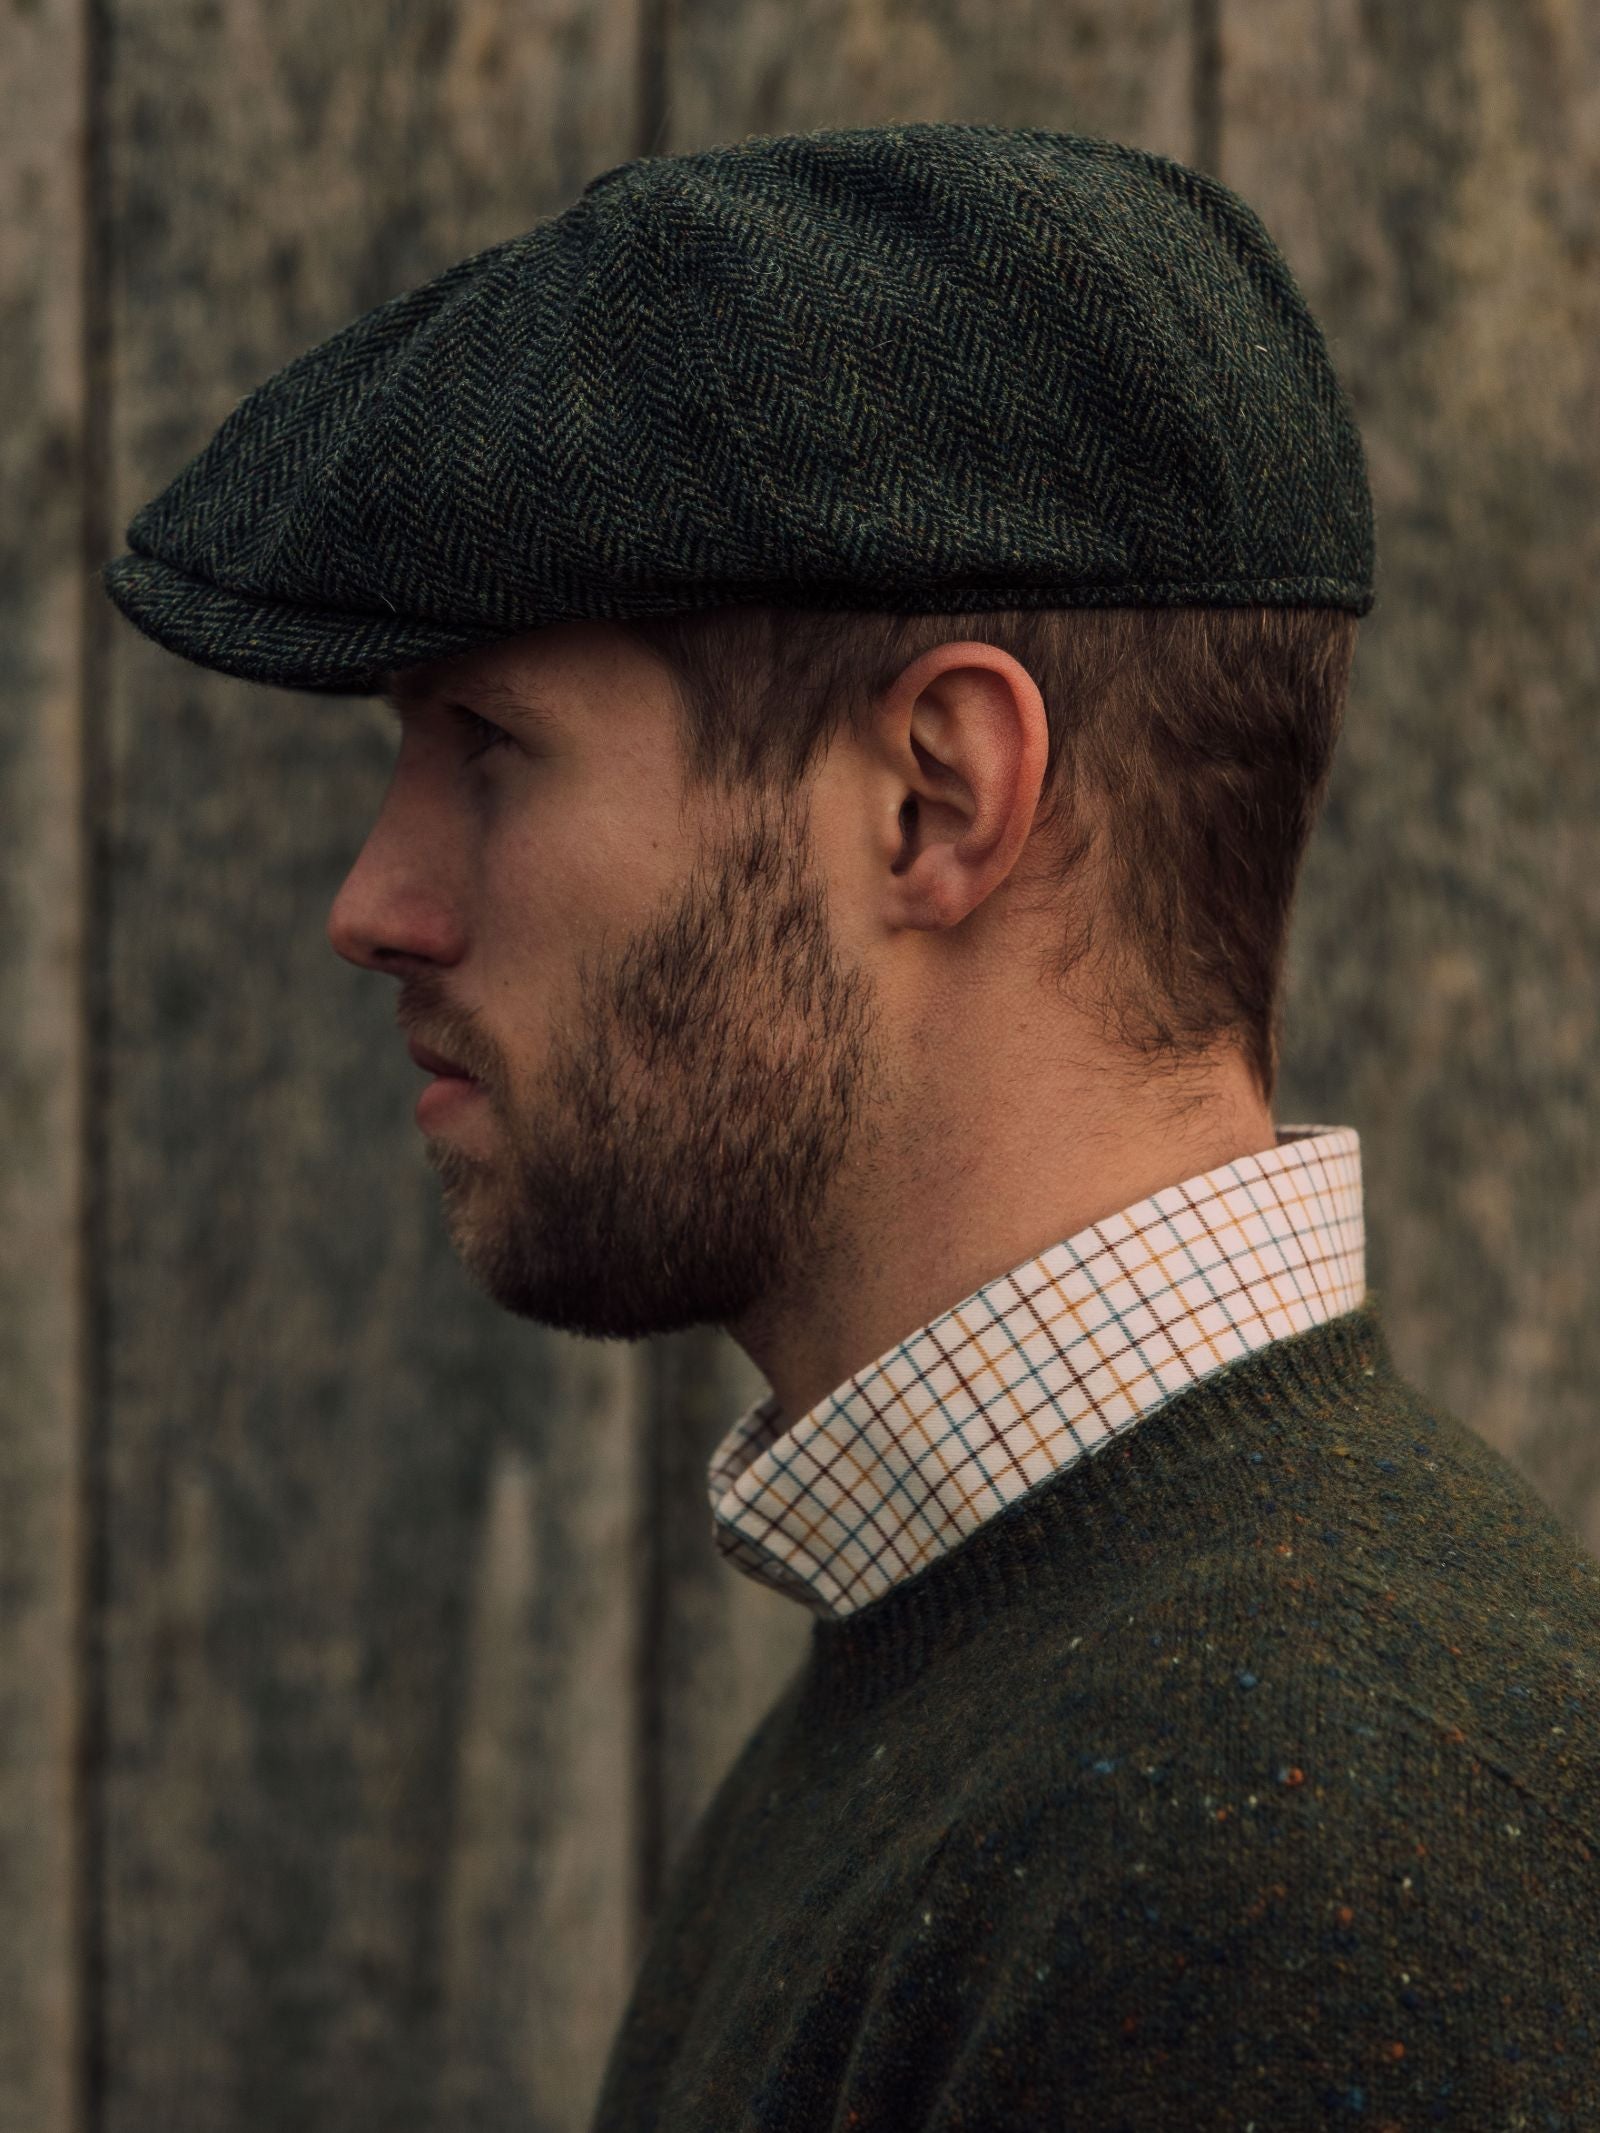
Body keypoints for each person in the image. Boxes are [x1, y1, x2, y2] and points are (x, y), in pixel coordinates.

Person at [102, 121, 1599, 2132]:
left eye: (488, 748)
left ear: (933, 796)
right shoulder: (1009, 1688)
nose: (373, 899)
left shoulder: (1299, 1858)